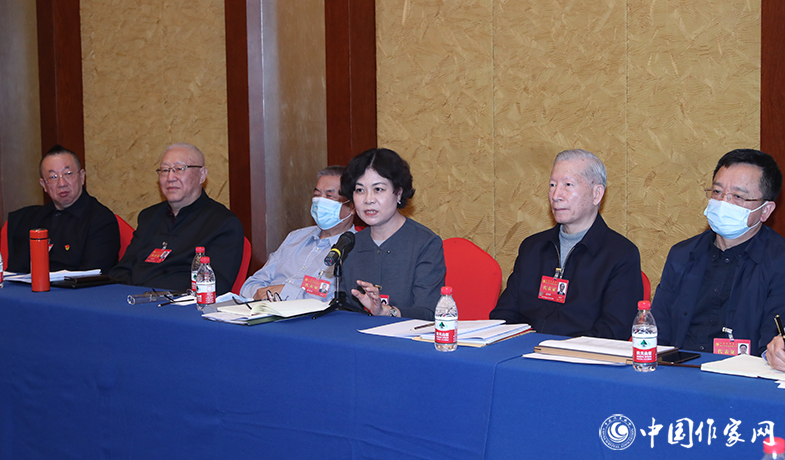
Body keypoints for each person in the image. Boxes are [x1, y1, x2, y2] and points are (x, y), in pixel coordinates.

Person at [490, 149, 643, 340]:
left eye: (568, 185)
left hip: (580, 356)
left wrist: (559, 349)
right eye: (552, 185)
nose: (556, 195)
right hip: (524, 351)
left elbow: (613, 329)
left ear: (596, 194)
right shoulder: (533, 248)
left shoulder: (620, 254)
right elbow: (505, 314)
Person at [653, 149, 785, 358]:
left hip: (745, 374)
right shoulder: (682, 254)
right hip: (680, 370)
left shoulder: (779, 262)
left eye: (738, 196)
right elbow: (659, 335)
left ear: (765, 210)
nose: (724, 202)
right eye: (717, 192)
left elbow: (774, 346)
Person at [109, 143, 244, 294]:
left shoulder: (223, 223)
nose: (170, 178)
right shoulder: (149, 217)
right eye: (165, 170)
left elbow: (218, 284)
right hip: (134, 299)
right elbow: (122, 271)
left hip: (179, 304)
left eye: (179, 169)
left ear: (202, 175)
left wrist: (150, 290)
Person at [339, 148, 446, 320]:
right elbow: (343, 308)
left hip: (406, 335)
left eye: (378, 189)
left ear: (399, 193)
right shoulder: (350, 243)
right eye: (360, 190)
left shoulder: (425, 243)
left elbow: (428, 313)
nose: (368, 199)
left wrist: (387, 312)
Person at [239, 166, 356, 301]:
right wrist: (261, 293)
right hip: (264, 308)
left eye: (329, 196)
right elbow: (251, 284)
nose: (320, 201)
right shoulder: (296, 237)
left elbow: (333, 298)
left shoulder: (357, 248)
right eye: (317, 195)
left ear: (352, 206)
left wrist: (285, 292)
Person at [6, 144, 120, 273]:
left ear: (82, 177)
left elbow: (93, 275)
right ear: (44, 185)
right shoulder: (32, 219)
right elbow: (16, 271)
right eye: (53, 177)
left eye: (68, 174)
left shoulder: (101, 220)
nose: (62, 184)